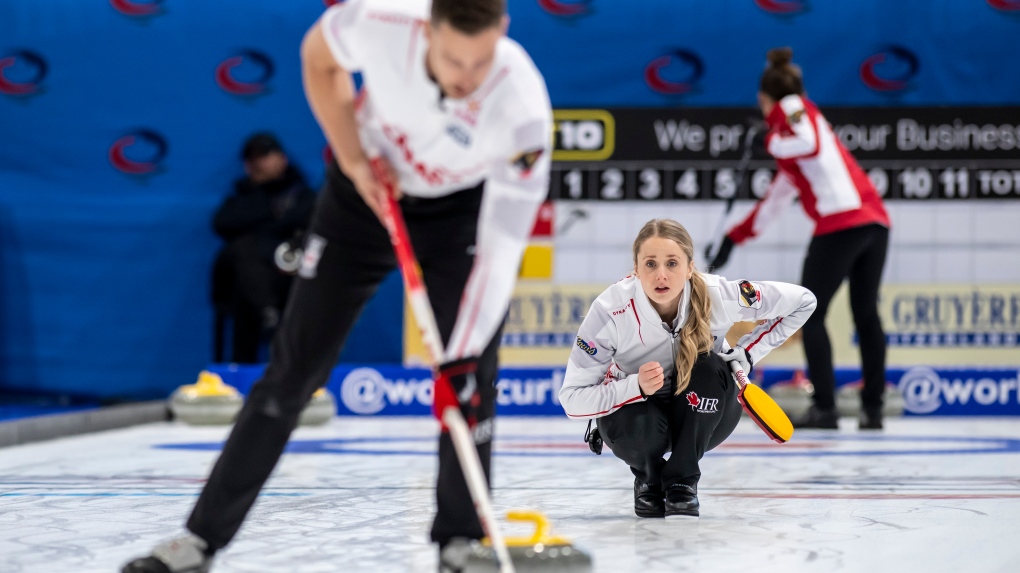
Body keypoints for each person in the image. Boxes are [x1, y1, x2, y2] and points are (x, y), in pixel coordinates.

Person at [122, 0, 551, 571]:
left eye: (481, 61)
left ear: (503, 30)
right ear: (426, 27)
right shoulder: (379, 21)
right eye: (453, 60)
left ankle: (459, 539)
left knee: (469, 376)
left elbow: (502, 252)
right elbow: (317, 59)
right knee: (292, 371)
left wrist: (458, 359)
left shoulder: (523, 109)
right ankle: (200, 539)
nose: (467, 80)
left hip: (459, 215)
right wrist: (351, 160)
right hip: (362, 196)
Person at [560, 219, 816, 519]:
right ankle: (648, 479)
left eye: (672, 263)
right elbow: (572, 399)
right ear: (635, 269)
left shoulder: (720, 294)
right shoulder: (610, 311)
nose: (661, 275)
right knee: (636, 425)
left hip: (707, 416)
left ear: (690, 267)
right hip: (637, 421)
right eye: (651, 264)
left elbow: (803, 301)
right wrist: (634, 387)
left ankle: (682, 481)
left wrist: (748, 353)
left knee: (709, 365)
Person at [707, 47, 891, 431]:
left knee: (811, 312)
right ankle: (872, 409)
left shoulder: (793, 107)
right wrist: (732, 237)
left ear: (763, 99)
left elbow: (808, 142)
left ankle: (825, 407)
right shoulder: (792, 148)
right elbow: (774, 200)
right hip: (875, 223)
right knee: (865, 313)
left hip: (842, 224)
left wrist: (770, 141)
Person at [211, 132, 316, 363]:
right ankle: (267, 316)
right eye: (253, 159)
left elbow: (312, 223)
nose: (259, 163)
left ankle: (271, 317)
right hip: (250, 285)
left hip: (292, 278)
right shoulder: (242, 197)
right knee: (243, 258)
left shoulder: (303, 195)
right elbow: (222, 223)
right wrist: (272, 213)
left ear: (282, 158)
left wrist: (266, 227)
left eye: (265, 156)